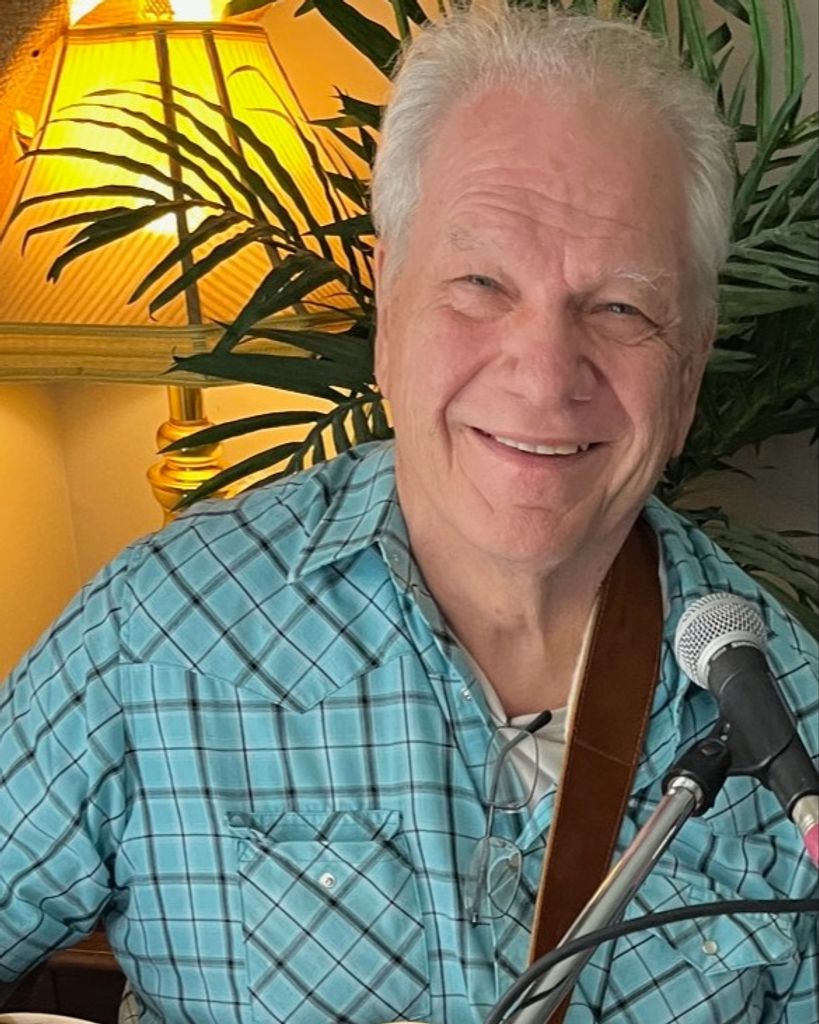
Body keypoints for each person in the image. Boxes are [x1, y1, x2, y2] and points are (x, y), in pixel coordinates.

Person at [1, 6, 817, 1023]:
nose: (544, 374)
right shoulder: (153, 635)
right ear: (389, 308)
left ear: (689, 361)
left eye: (620, 307)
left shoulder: (794, 718)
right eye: (480, 283)